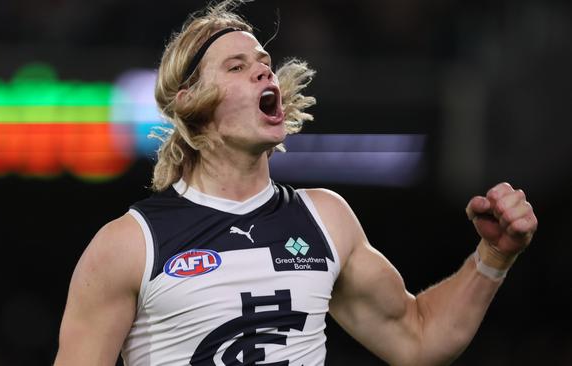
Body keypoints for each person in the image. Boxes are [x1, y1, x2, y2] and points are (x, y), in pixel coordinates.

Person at [53, 1, 538, 365]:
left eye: (263, 61)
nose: (263, 69)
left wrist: (493, 258)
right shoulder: (129, 245)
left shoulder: (325, 219)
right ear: (192, 103)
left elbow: (418, 338)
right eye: (236, 67)